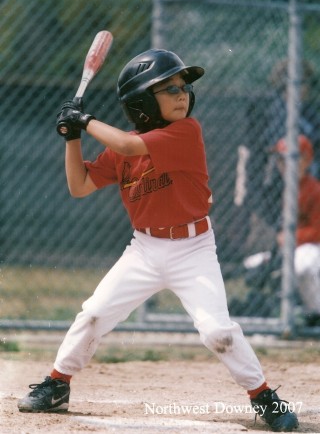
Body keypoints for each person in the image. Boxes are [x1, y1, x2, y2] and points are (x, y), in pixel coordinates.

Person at [18, 49, 298, 431]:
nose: (181, 94)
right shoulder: (120, 146)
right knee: (95, 313)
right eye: (168, 89)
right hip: (146, 250)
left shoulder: (185, 132)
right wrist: (73, 138)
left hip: (194, 249)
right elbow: (79, 185)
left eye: (182, 87)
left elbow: (131, 147)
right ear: (143, 103)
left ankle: (266, 398)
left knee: (217, 332)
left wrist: (83, 118)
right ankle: (57, 385)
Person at [273, 135, 320, 326]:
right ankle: (274, 310)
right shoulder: (277, 188)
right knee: (251, 265)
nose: (283, 165)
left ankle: (315, 312)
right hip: (287, 246)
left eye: (289, 159)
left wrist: (291, 237)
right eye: (281, 159)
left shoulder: (314, 189)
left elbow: (318, 231)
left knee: (303, 265)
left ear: (306, 161)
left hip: (312, 245)